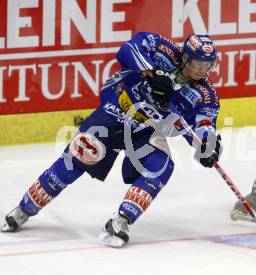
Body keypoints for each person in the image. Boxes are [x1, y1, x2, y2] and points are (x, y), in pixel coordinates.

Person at [1, 32, 223, 248]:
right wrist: (152, 72)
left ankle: (122, 219)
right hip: (115, 111)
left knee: (161, 165)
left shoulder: (205, 94)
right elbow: (129, 49)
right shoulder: (162, 49)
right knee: (82, 153)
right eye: (198, 64)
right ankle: (25, 207)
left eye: (208, 66)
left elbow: (204, 124)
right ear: (185, 58)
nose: (203, 71)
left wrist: (208, 145)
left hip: (145, 131)